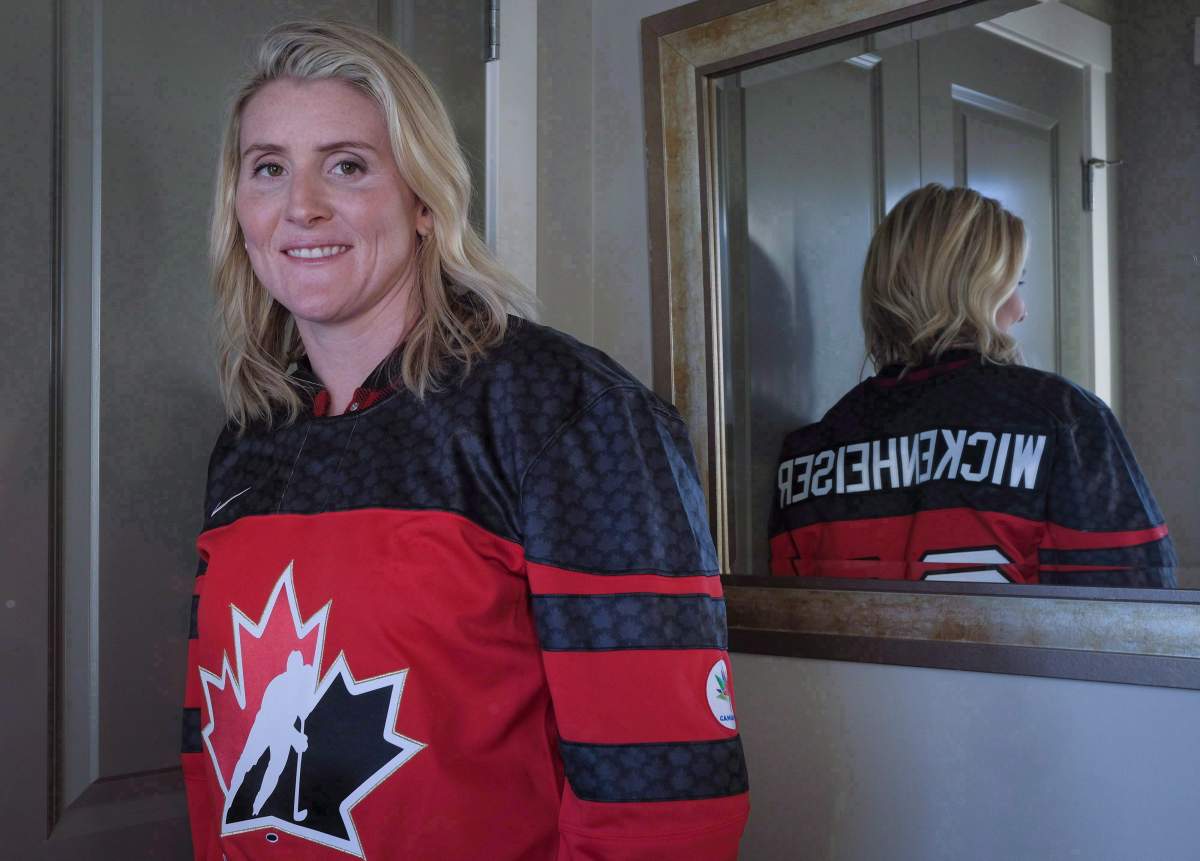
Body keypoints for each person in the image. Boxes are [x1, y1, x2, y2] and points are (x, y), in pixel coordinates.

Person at [181, 20, 748, 860]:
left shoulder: (564, 412)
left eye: (347, 165)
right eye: (269, 168)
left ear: (422, 201)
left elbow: (665, 798)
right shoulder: (248, 442)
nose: (301, 205)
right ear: (240, 208)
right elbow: (215, 754)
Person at [768, 184, 1176, 587]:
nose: (1022, 310)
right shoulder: (1064, 420)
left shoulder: (811, 450)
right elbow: (1138, 616)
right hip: (1016, 656)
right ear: (973, 293)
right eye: (1014, 284)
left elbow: (792, 624)